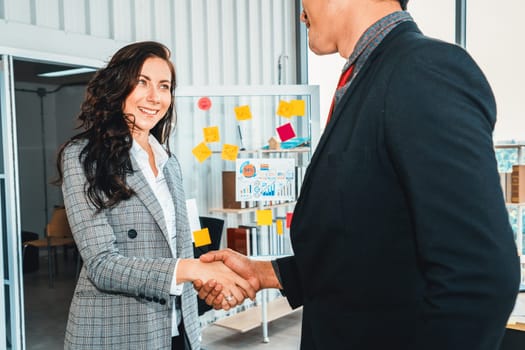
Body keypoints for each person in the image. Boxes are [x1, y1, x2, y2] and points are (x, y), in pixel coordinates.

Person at [195, 1, 522, 349]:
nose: (301, 12)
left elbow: (478, 276)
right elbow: (374, 243)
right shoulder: (370, 76)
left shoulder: (423, 69)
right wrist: (270, 274)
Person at [56, 41, 254, 349]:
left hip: (177, 327)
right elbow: (102, 265)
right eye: (142, 82)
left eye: (164, 86)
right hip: (117, 332)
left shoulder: (168, 161)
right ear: (118, 86)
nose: (154, 97)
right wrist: (192, 269)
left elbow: (181, 249)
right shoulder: (84, 157)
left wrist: (208, 282)